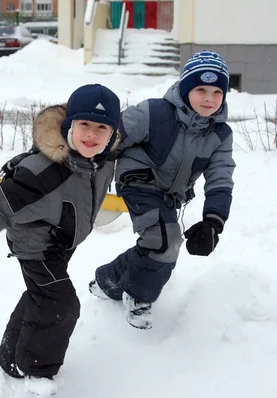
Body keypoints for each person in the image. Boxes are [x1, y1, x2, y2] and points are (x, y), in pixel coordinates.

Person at [0, 84, 121, 396]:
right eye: (84, 125)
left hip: (63, 241)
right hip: (36, 245)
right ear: (69, 126)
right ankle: (36, 370)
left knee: (41, 296)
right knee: (61, 303)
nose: (92, 134)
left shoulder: (102, 161)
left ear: (112, 133)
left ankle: (10, 356)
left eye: (102, 127)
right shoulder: (44, 170)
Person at [89, 50, 236, 330]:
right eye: (201, 89)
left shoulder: (220, 134)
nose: (209, 98)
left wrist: (213, 222)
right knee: (164, 241)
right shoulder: (155, 112)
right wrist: (89, 162)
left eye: (217, 91)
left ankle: (108, 280)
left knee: (160, 245)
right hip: (138, 181)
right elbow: (112, 136)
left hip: (169, 195)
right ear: (185, 87)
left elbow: (221, 177)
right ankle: (138, 296)